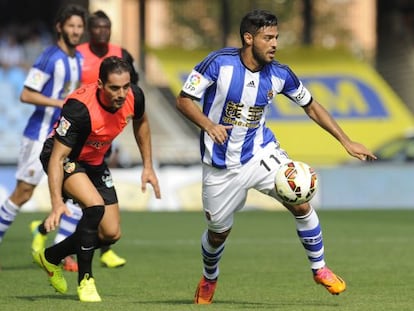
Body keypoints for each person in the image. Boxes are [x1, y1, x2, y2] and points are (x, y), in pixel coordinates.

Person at [176, 9, 377, 305]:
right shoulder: (218, 64)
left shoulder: (280, 74)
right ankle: (209, 276)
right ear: (248, 38)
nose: (274, 44)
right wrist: (209, 125)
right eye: (268, 37)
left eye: (276, 37)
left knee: (300, 199)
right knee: (218, 233)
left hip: (261, 153)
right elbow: (184, 99)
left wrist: (345, 141)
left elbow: (311, 106)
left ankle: (319, 269)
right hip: (220, 166)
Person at [32, 56, 161, 302]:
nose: (122, 94)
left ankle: (50, 257)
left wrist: (147, 166)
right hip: (63, 158)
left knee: (111, 234)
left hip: (94, 162)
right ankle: (86, 281)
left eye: (125, 87)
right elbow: (57, 157)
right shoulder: (79, 108)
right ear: (100, 84)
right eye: (114, 88)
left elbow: (141, 122)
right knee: (94, 207)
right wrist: (57, 202)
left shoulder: (135, 95)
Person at [30, 9, 138, 270]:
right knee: (87, 205)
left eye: (106, 27)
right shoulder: (79, 55)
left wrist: (147, 164)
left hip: (100, 137)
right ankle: (63, 253)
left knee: (104, 222)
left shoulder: (122, 55)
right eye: (95, 27)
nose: (101, 32)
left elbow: (134, 93)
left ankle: (55, 239)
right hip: (71, 133)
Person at [0, 4, 87, 268]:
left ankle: (63, 253)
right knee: (23, 193)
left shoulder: (78, 59)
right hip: (39, 135)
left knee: (77, 192)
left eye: (79, 27)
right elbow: (26, 94)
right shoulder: (50, 57)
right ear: (60, 27)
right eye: (71, 26)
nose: (76, 31)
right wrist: (59, 102)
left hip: (63, 138)